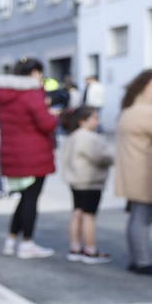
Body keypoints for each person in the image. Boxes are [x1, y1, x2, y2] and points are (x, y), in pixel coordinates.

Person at [0, 58, 59, 259]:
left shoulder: (5, 94)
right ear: (34, 73)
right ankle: (27, 242)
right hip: (34, 153)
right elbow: (46, 124)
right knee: (30, 199)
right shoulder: (32, 94)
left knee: (23, 198)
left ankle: (11, 241)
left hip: (13, 152)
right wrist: (54, 115)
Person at [113, 69, 152, 276]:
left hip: (140, 171)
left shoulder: (133, 108)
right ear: (144, 87)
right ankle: (142, 262)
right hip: (146, 173)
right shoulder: (146, 112)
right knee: (142, 217)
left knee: (139, 216)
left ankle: (139, 260)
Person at [58, 105, 113, 263]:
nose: (97, 121)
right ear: (83, 121)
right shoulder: (88, 137)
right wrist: (111, 158)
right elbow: (101, 157)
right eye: (94, 118)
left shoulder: (72, 136)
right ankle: (90, 249)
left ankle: (75, 247)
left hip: (75, 180)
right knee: (89, 215)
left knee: (77, 212)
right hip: (90, 181)